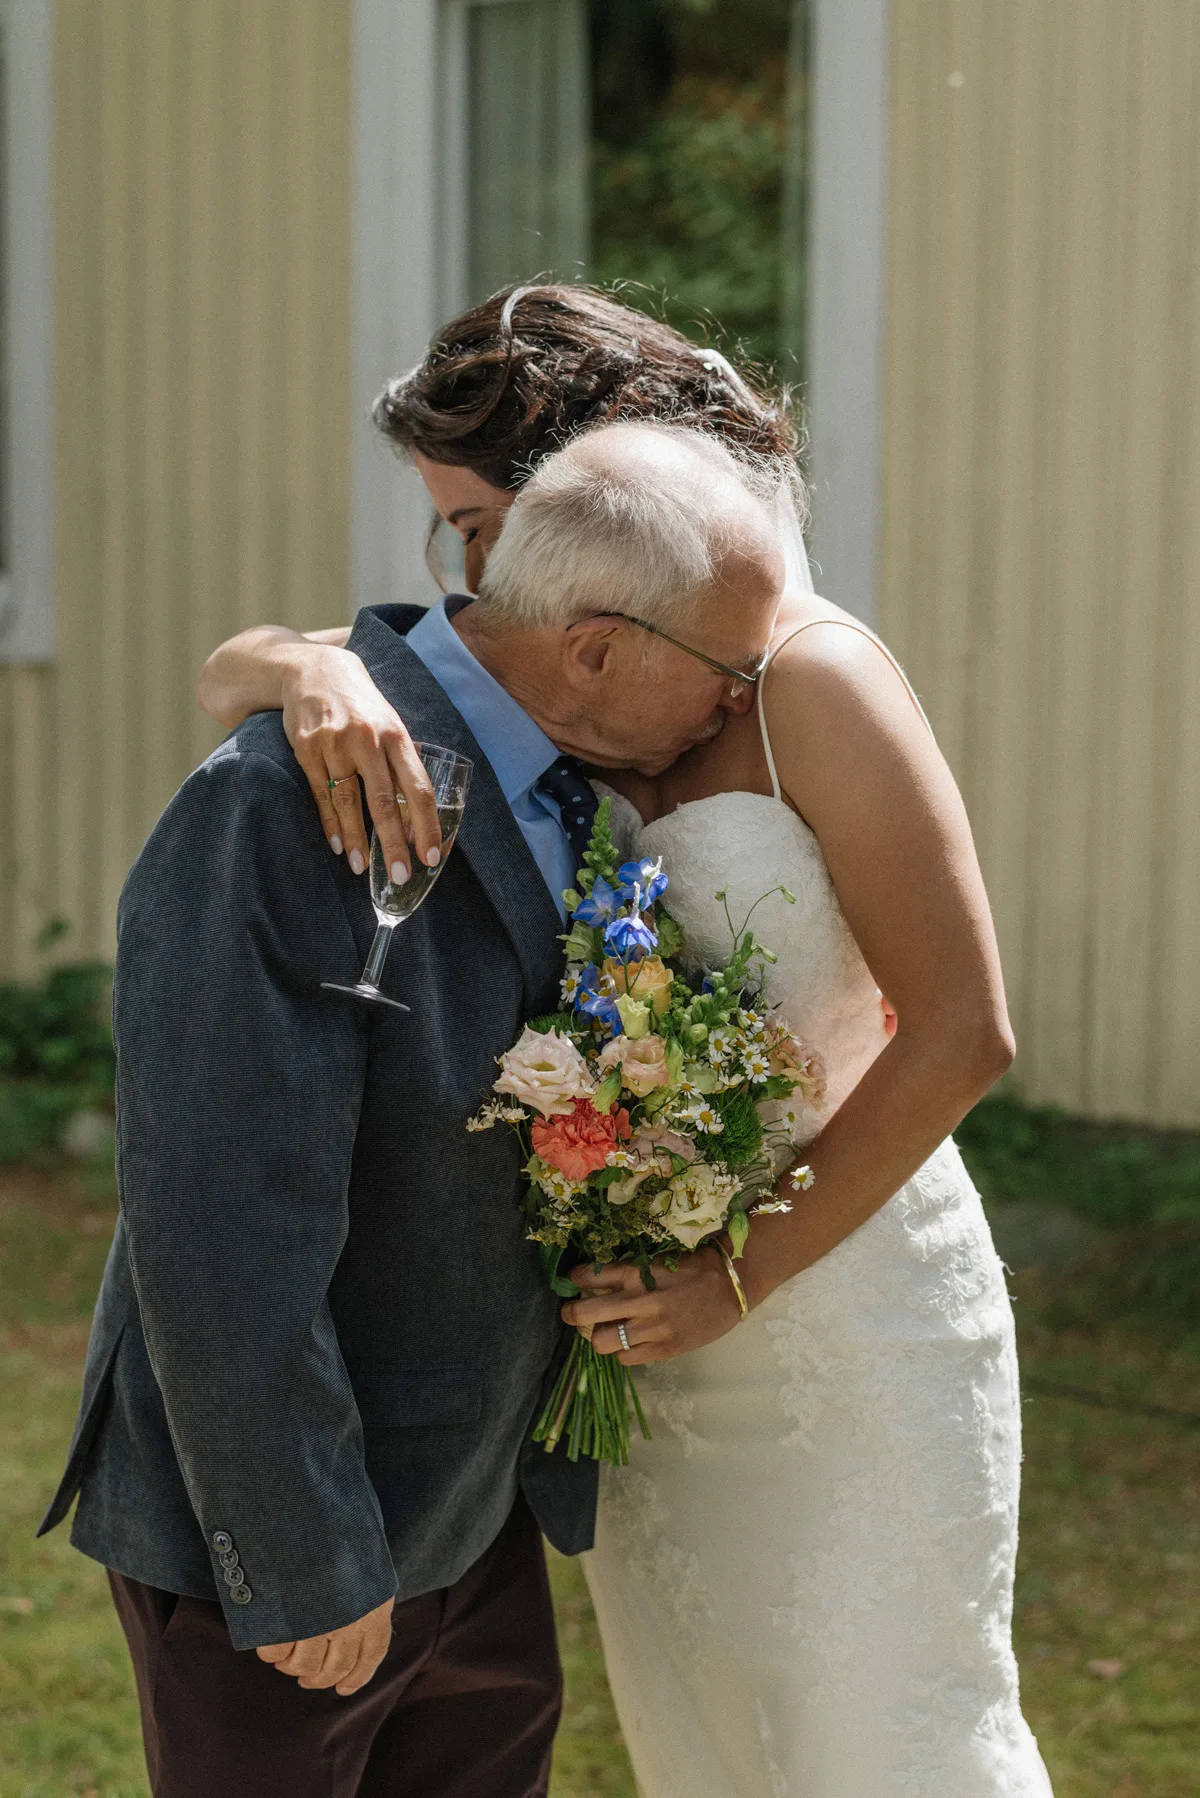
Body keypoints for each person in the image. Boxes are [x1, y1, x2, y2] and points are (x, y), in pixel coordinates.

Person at [200, 284, 1054, 1796]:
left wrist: (740, 1274)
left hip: (842, 1312)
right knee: (703, 1735)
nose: (468, 571)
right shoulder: (533, 663)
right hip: (646, 1362)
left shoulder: (807, 679)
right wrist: (309, 669)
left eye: (477, 522)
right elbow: (229, 668)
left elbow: (967, 1029)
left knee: (874, 1731)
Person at [42, 421, 784, 1798]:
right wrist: (307, 1554)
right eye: (728, 672)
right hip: (284, 1546)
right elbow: (217, 1228)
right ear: (598, 649)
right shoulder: (279, 803)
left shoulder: (591, 779)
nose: (739, 704)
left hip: (475, 1511)